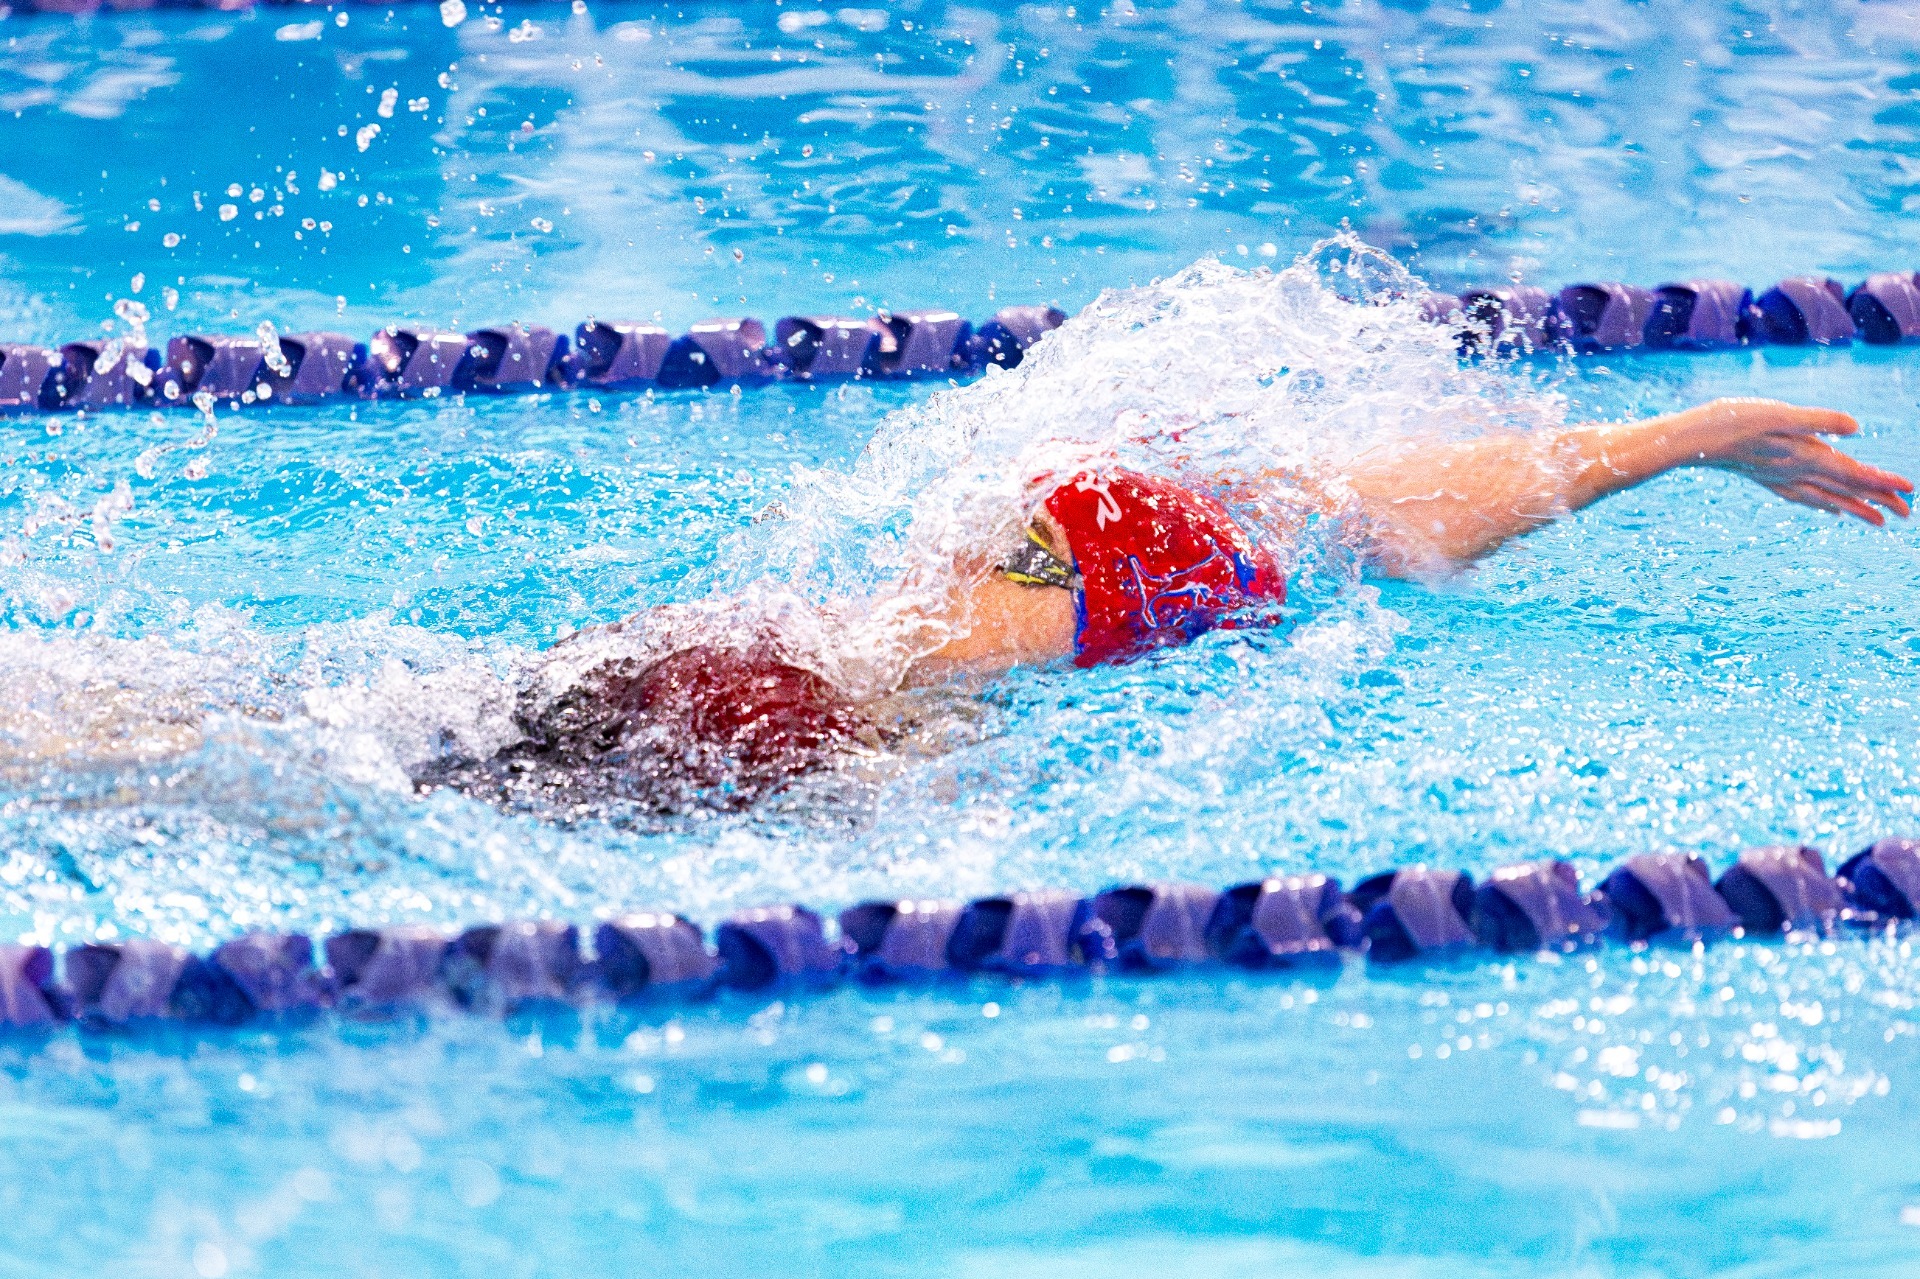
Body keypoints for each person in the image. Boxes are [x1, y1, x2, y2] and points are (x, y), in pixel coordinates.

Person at [430, 397, 1912, 813]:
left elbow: (1391, 510)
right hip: (757, 721)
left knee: (409, 737)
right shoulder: (904, 706)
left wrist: (1688, 439)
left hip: (688, 672)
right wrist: (1685, 441)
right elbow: (1394, 519)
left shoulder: (939, 609)